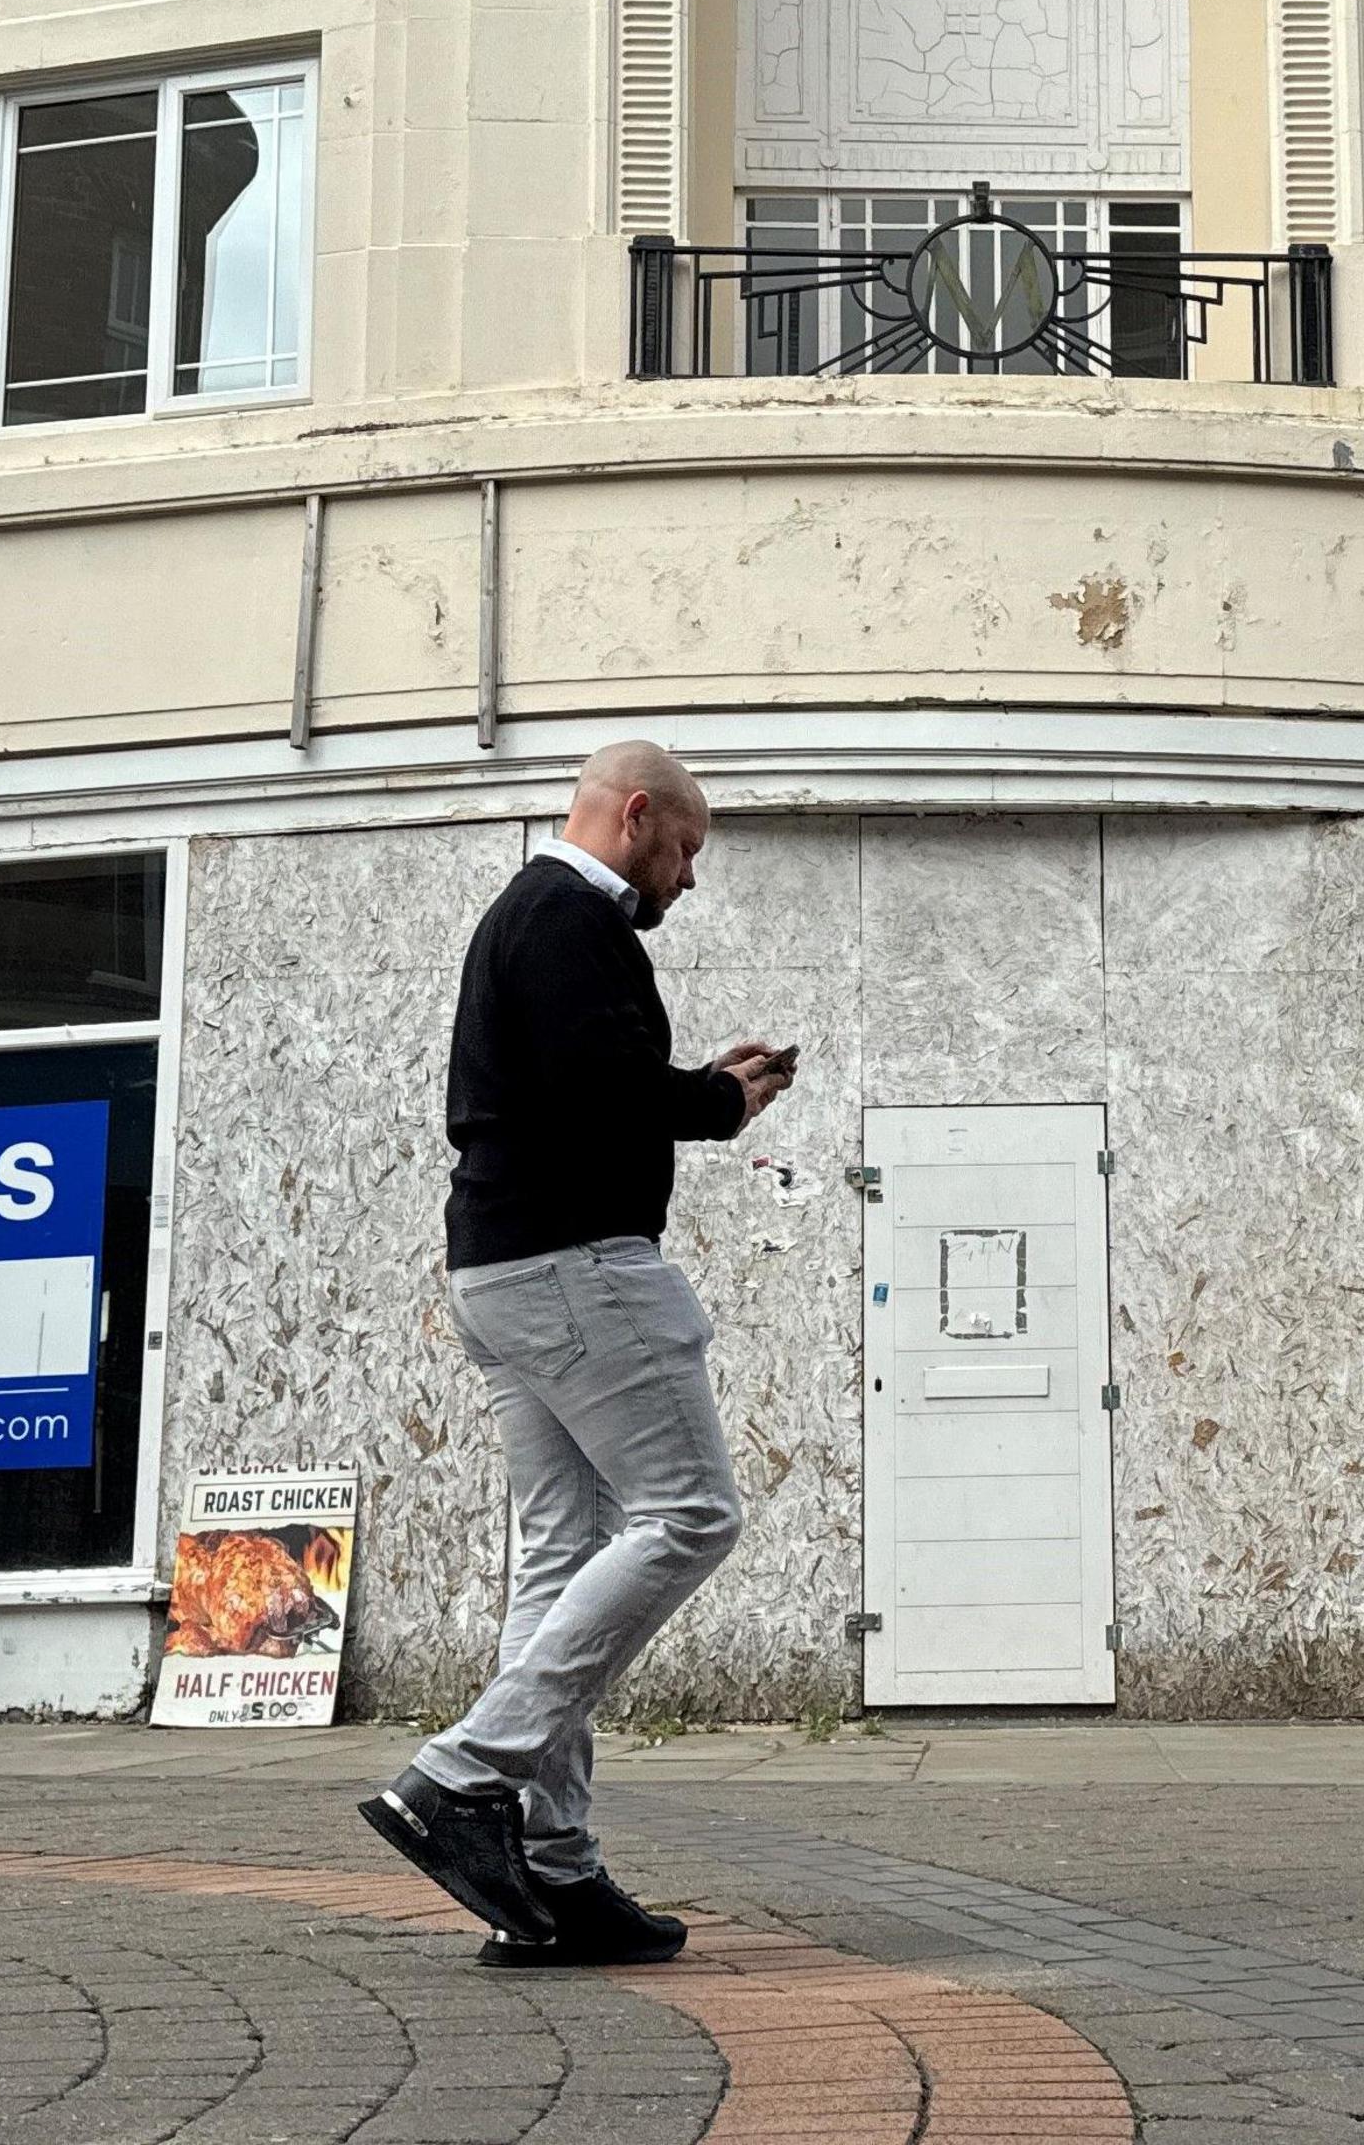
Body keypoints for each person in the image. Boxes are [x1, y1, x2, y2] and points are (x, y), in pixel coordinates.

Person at [360, 740, 796, 1968]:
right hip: (573, 1268)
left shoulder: (537, 918)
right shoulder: (568, 911)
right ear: (638, 816)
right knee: (692, 1513)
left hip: (505, 1271)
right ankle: (460, 1776)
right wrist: (717, 1103)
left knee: (558, 1558)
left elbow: (582, 1081)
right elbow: (603, 1089)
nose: (689, 880)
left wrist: (701, 1086)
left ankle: (552, 1872)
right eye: (688, 850)